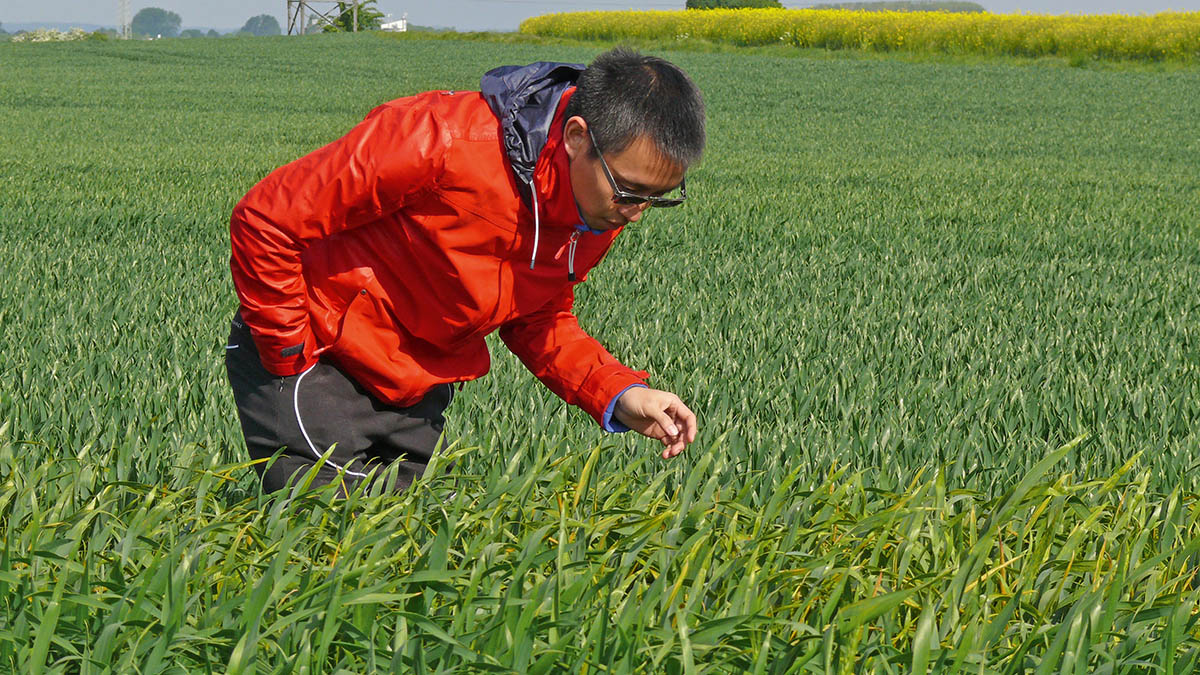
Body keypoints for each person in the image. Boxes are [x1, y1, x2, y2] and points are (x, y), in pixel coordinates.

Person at [225, 48, 705, 495]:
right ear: (577, 137)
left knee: (405, 544)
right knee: (325, 537)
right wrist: (288, 357)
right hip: (319, 355)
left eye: (657, 197)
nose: (636, 213)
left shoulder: (595, 212)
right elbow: (268, 219)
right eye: (630, 190)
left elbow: (538, 320)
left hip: (419, 385)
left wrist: (621, 393)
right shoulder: (437, 139)